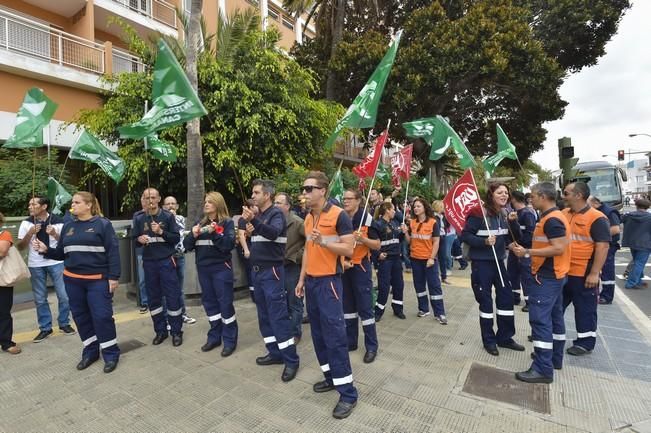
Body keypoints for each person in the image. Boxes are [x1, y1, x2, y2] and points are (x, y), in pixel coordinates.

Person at [33, 192, 120, 373]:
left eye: (77, 202)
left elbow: (113, 253)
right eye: (73, 202)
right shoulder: (68, 226)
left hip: (97, 281)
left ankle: (111, 353)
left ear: (89, 205)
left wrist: (113, 278)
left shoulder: (103, 225)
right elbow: (61, 253)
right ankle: (90, 351)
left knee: (102, 317)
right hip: (73, 281)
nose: (73, 205)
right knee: (81, 317)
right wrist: (45, 249)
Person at [296, 171, 358, 419]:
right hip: (311, 283)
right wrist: (301, 279)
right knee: (319, 336)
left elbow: (349, 249)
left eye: (309, 188)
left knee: (334, 337)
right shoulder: (308, 217)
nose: (305, 192)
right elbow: (307, 251)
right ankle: (331, 377)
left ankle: (348, 394)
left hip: (329, 283)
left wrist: (325, 243)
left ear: (323, 190)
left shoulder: (339, 215)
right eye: (304, 188)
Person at [240, 179, 299, 383]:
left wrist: (254, 222)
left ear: (267, 195)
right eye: (253, 193)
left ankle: (291, 360)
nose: (253, 196)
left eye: (256, 192)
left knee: (278, 316)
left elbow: (273, 234)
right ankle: (275, 353)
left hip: (272, 272)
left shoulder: (275, 214)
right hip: (257, 272)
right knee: (264, 315)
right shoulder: (260, 215)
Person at [511, 182, 570, 383]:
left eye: (533, 196)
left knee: (540, 321)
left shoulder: (552, 219)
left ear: (543, 197)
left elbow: (558, 248)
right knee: (554, 317)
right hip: (555, 275)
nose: (531, 199)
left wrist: (527, 252)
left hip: (548, 277)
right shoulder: (551, 216)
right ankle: (554, 358)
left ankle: (543, 369)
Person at [461, 182, 523, 356]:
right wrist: (484, 242)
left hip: (499, 263)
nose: (504, 195)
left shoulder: (505, 213)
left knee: (506, 298)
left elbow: (516, 237)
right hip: (482, 264)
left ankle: (505, 337)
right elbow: (465, 235)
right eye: (499, 192)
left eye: (506, 192)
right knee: (486, 302)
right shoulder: (477, 213)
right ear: (491, 194)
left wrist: (515, 222)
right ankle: (489, 340)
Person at [184, 192, 237, 357]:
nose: (206, 204)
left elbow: (228, 245)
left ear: (218, 204)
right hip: (204, 269)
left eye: (210, 202)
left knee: (225, 304)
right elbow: (187, 246)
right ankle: (214, 337)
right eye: (205, 202)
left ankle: (229, 340)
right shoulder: (199, 223)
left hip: (221, 268)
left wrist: (214, 233)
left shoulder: (226, 223)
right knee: (210, 304)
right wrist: (193, 235)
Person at [17, 196, 76, 342]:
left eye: (33, 204)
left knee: (64, 295)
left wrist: (54, 234)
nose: (30, 207)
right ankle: (45, 328)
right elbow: (20, 246)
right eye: (29, 204)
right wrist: (30, 233)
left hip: (56, 261)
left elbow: (66, 242)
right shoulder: (26, 223)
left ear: (44, 207)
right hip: (35, 263)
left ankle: (64, 323)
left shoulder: (58, 221)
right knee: (40, 298)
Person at [561, 181, 610, 356]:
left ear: (578, 196)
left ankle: (585, 342)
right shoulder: (564, 213)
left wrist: (595, 273)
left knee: (585, 309)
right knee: (556, 306)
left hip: (583, 274)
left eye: (566, 193)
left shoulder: (597, 218)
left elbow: (602, 246)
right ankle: (553, 336)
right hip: (563, 271)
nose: (562, 196)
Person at [132, 188, 184, 347]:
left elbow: (176, 238)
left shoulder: (167, 216)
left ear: (159, 198)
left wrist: (161, 231)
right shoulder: (140, 218)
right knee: (153, 298)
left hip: (166, 261)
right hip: (149, 262)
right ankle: (160, 331)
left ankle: (176, 332)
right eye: (147, 198)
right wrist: (139, 239)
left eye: (153, 197)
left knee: (172, 296)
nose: (150, 201)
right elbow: (134, 240)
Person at [341, 189, 380, 363]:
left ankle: (371, 347)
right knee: (348, 308)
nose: (346, 201)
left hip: (361, 268)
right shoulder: (341, 218)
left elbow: (377, 245)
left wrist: (363, 240)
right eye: (344, 198)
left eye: (349, 198)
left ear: (358, 201)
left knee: (365, 308)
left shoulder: (367, 219)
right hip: (344, 267)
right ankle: (351, 342)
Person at [403, 197, 448, 324]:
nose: (416, 208)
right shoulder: (412, 222)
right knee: (419, 284)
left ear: (425, 208)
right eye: (414, 207)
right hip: (415, 258)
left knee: (434, 285)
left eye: (418, 206)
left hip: (429, 259)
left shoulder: (433, 222)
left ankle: (440, 313)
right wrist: (406, 233)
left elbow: (436, 242)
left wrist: (432, 258)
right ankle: (423, 309)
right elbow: (410, 241)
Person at [274, 192, 305, 344]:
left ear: (287, 206)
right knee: (281, 300)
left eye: (279, 203)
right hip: (277, 266)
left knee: (295, 301)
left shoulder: (298, 222)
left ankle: (295, 333)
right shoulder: (273, 221)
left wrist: (298, 256)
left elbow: (311, 243)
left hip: (293, 266)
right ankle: (285, 329)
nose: (275, 206)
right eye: (275, 203)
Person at [163, 196, 196, 324]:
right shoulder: (161, 219)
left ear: (177, 206)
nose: (171, 206)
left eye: (173, 204)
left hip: (179, 256)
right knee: (167, 289)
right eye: (168, 204)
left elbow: (178, 232)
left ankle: (183, 314)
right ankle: (168, 317)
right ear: (163, 207)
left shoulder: (180, 218)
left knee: (179, 288)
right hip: (167, 257)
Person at [373, 201, 406, 321]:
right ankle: (378, 311)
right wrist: (378, 254)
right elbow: (373, 242)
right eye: (393, 209)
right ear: (387, 210)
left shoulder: (394, 223)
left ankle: (398, 309)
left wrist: (403, 232)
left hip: (396, 258)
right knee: (384, 287)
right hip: (385, 260)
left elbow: (398, 240)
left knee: (399, 285)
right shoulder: (377, 224)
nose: (394, 212)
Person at [587, 196, 621, 305]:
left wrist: (597, 235)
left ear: (595, 203)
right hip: (600, 244)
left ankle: (607, 296)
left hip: (608, 246)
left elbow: (615, 229)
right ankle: (601, 294)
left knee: (607, 271)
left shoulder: (609, 212)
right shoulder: (597, 212)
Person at [507, 191, 537, 311]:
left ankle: (529, 301)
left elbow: (530, 234)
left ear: (513, 199)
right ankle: (515, 296)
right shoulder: (514, 214)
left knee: (526, 276)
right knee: (513, 274)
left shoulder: (527, 214)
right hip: (514, 250)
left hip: (525, 250)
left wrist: (519, 245)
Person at [1, 211, 21, 355]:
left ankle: (6, 342)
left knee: (3, 312)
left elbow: (2, 251)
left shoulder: (4, 233)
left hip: (2, 279)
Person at [621, 198, 651, 290]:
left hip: (631, 242)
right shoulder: (649, 217)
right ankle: (631, 283)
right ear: (648, 207)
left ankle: (638, 281)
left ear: (636, 206)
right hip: (645, 243)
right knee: (639, 263)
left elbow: (618, 220)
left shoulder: (628, 215)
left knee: (636, 261)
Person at [132, 193, 149, 313]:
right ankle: (144, 302)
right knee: (142, 279)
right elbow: (135, 234)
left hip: (156, 250)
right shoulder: (138, 215)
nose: (146, 201)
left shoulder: (160, 214)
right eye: (143, 199)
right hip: (141, 251)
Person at [431, 201, 450, 284]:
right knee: (434, 257)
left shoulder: (443, 216)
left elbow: (447, 225)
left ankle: (444, 276)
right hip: (436, 238)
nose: (443, 208)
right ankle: (434, 276)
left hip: (443, 237)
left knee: (443, 257)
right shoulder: (433, 217)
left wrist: (446, 216)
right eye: (442, 207)